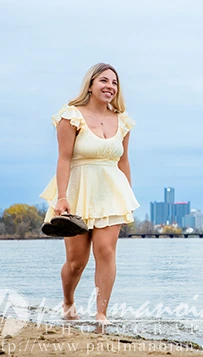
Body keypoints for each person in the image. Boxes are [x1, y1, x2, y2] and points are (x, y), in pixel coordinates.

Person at [40, 63, 140, 324]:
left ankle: (101, 314)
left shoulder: (123, 121)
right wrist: (62, 197)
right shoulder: (71, 116)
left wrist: (127, 196)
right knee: (76, 262)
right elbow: (63, 159)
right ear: (91, 84)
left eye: (115, 83)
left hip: (111, 193)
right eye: (104, 81)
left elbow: (124, 161)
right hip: (77, 190)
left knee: (106, 252)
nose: (110, 86)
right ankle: (69, 302)